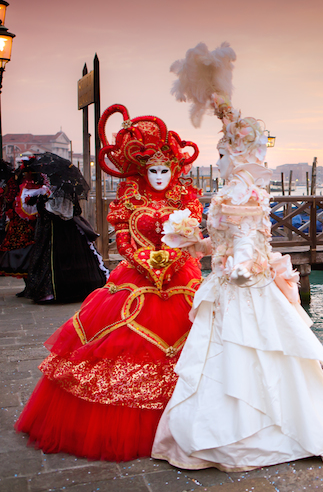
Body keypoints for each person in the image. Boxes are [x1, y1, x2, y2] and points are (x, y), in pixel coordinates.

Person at [151, 42, 323, 471]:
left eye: (225, 153)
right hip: (235, 281)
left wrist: (241, 264)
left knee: (245, 355)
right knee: (254, 355)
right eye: (223, 153)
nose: (221, 159)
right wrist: (197, 245)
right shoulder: (243, 190)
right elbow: (230, 241)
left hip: (243, 285)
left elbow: (246, 239)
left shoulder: (238, 190)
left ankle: (248, 436)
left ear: (237, 154)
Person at [15, 105, 203, 461]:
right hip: (136, 280)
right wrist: (143, 262)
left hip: (180, 278)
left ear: (175, 169)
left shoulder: (185, 200)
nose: (160, 177)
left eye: (165, 169)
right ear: (142, 170)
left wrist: (174, 260)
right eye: (153, 170)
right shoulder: (130, 199)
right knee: (117, 343)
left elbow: (191, 238)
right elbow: (123, 240)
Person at [20, 152, 108, 303]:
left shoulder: (64, 189)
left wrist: (44, 204)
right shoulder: (55, 188)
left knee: (61, 261)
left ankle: (59, 291)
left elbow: (64, 212)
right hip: (52, 230)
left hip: (61, 231)